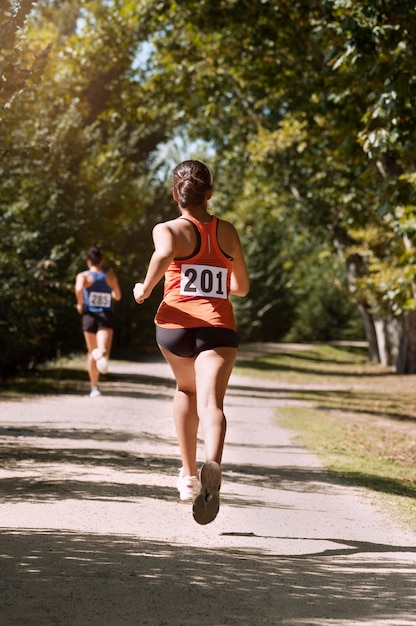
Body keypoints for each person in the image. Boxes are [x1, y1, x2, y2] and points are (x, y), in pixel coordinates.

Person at [133, 160, 249, 525]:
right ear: (209, 194)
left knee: (185, 390)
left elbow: (164, 254)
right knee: (212, 402)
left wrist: (145, 288)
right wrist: (220, 277)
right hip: (218, 329)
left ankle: (187, 477)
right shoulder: (227, 232)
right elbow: (242, 287)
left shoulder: (167, 229)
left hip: (175, 327)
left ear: (175, 194)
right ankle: (212, 462)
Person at [75, 244, 122, 398]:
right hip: (105, 315)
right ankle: (100, 357)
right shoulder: (110, 275)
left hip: (89, 316)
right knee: (103, 351)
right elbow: (118, 296)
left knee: (92, 353)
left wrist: (80, 303)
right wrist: (109, 294)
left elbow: (78, 289)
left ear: (89, 261)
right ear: (101, 261)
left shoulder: (83, 276)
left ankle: (94, 388)